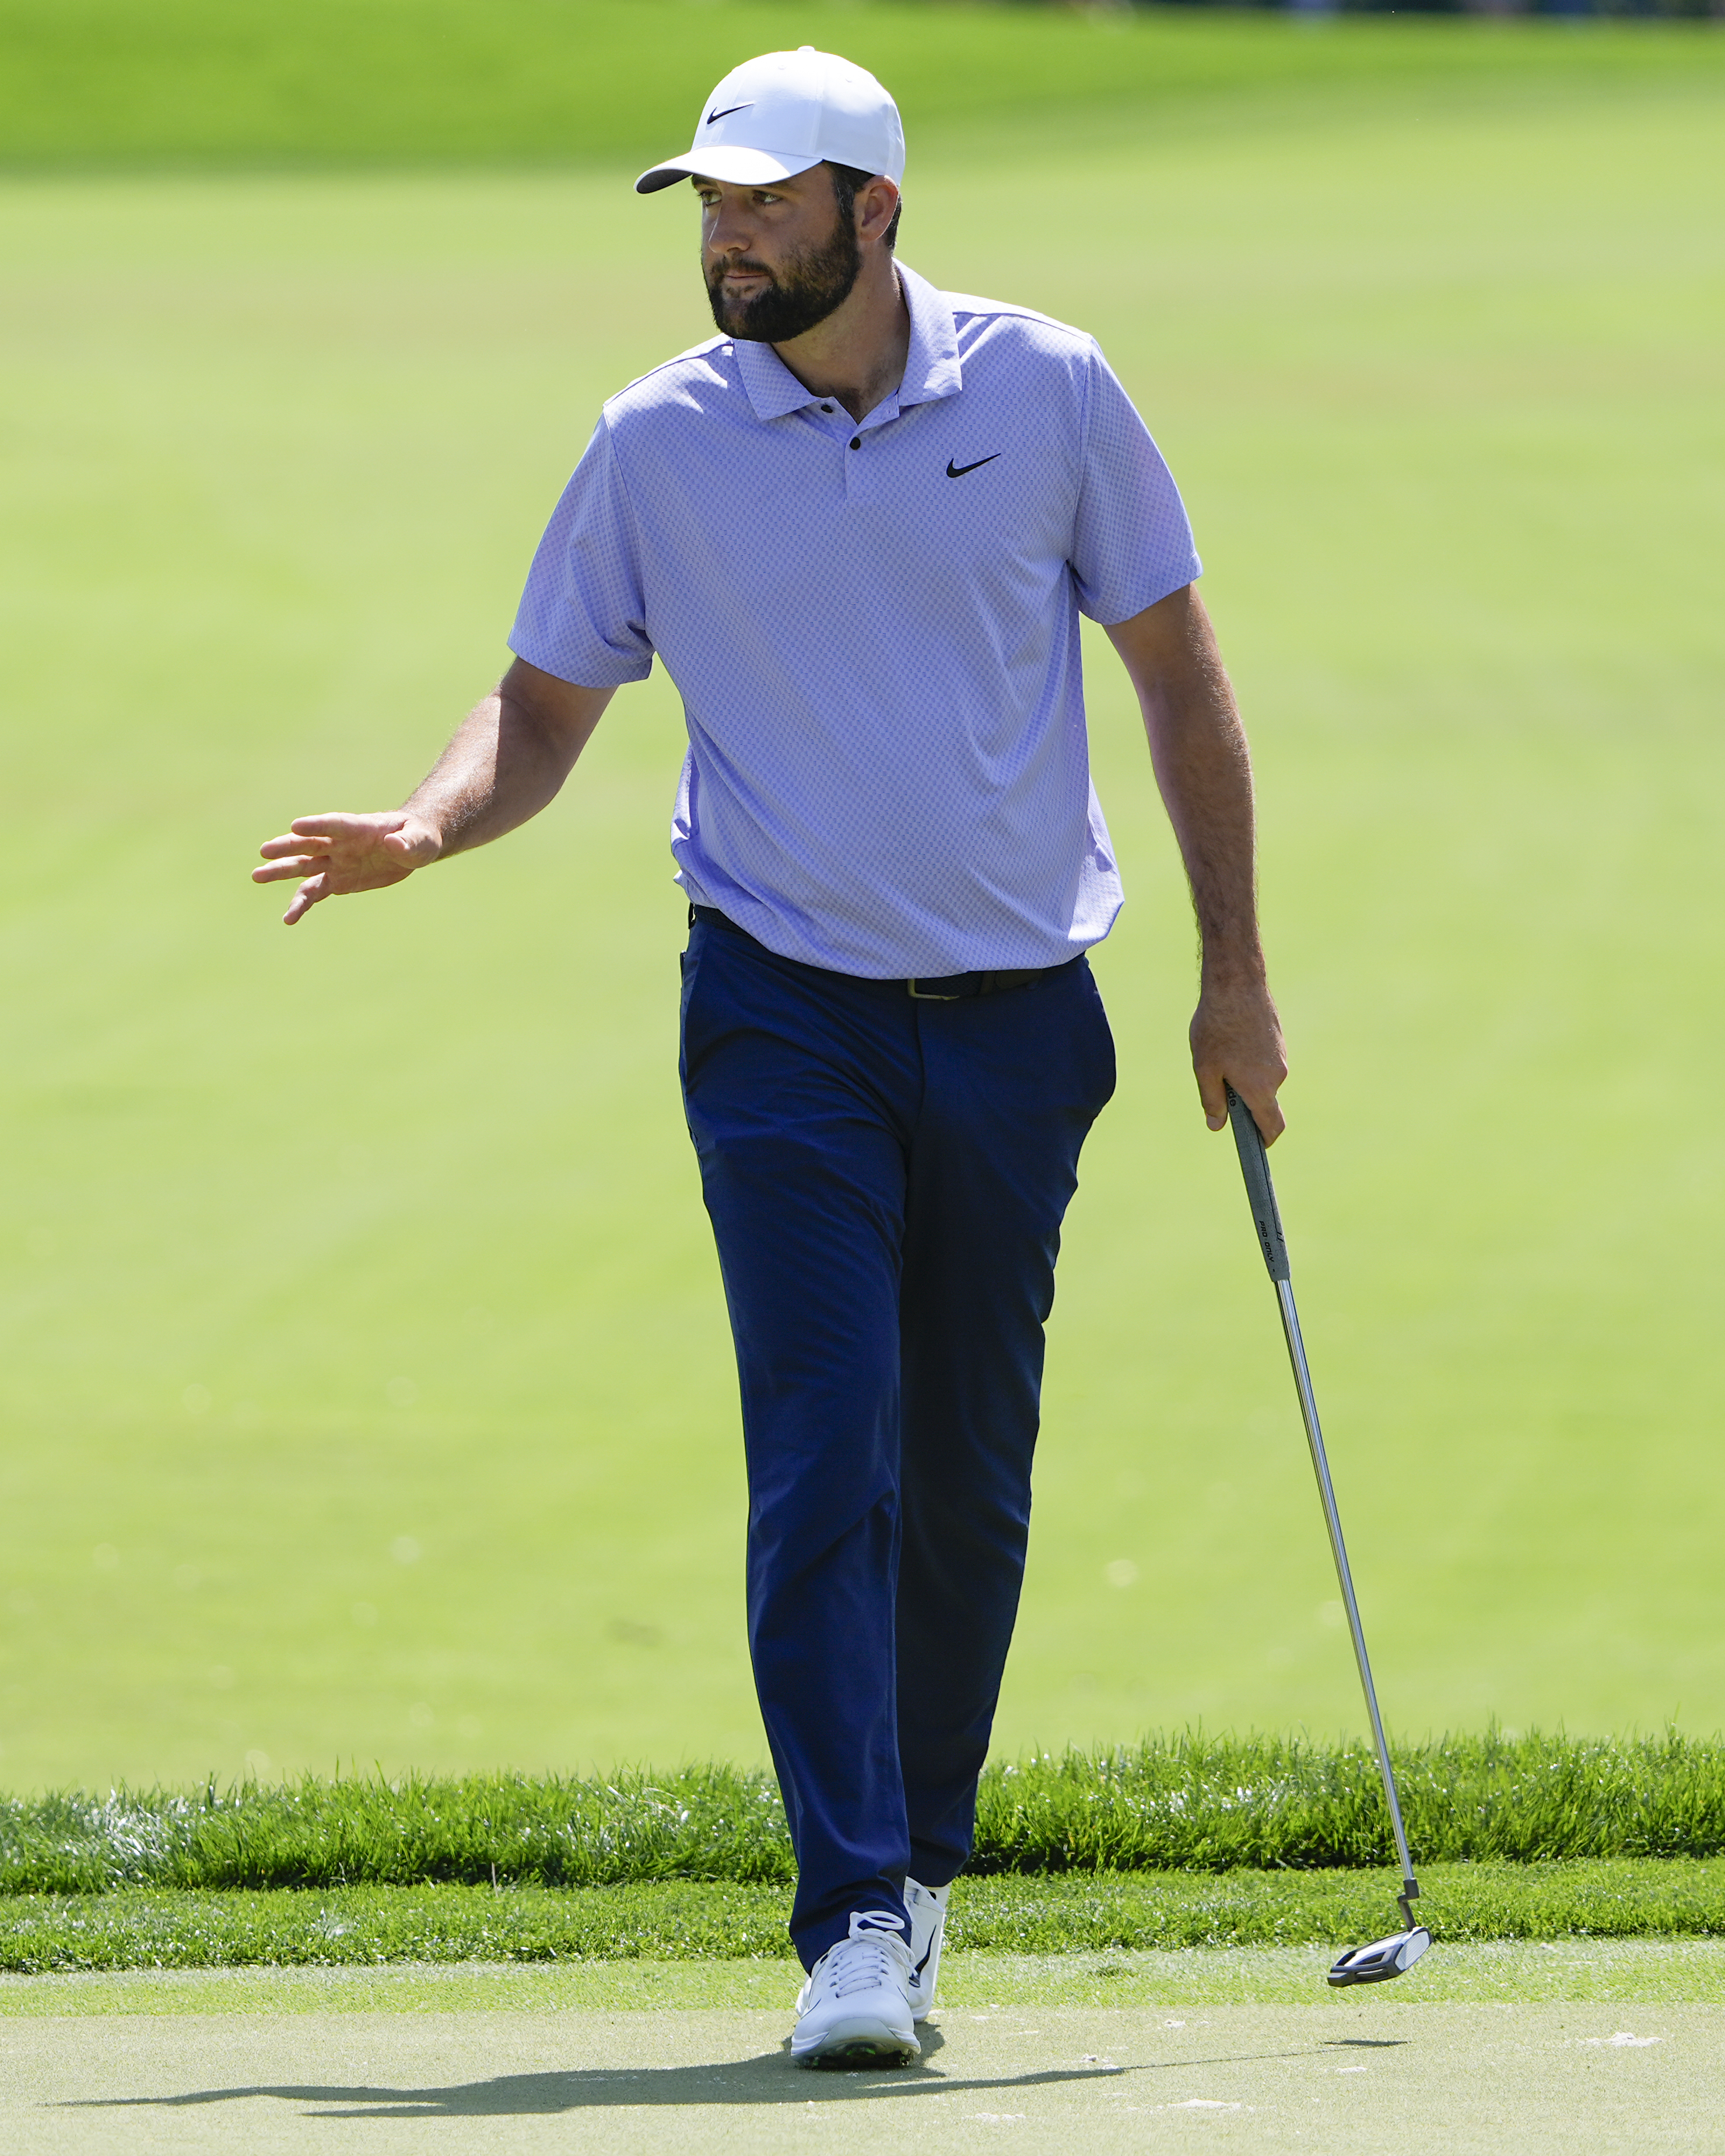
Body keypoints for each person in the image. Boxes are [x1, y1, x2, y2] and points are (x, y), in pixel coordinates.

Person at [254, 45, 1286, 2067]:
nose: (724, 235)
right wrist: (427, 823)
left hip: (1019, 1023)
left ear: (873, 214)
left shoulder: (1049, 390)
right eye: (707, 205)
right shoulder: (658, 443)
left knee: (969, 1479)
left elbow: (1179, 674)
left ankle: (919, 1870)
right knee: (833, 1446)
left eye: (762, 203)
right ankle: (853, 1912)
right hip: (781, 1012)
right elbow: (542, 706)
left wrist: (1233, 973)